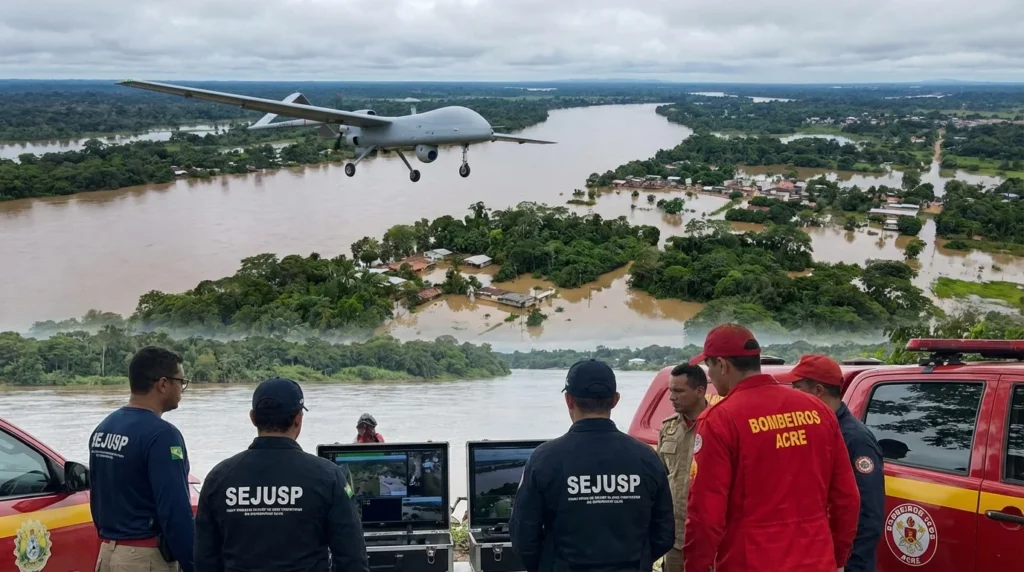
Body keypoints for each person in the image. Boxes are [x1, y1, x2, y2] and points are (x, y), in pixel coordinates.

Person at [682, 324, 860, 572]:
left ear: (722, 365)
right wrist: (838, 559)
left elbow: (705, 515)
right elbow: (846, 498)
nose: (709, 375)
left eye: (709, 366)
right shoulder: (817, 410)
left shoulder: (719, 419)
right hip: (817, 559)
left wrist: (696, 567)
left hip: (750, 561)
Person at [510, 359, 674, 572]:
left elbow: (524, 536)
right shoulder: (647, 457)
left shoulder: (544, 459)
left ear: (569, 400)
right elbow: (664, 533)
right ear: (615, 400)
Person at [194, 377, 369, 572]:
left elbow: (205, 559)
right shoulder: (328, 477)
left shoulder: (218, 478)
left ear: (253, 418)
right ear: (298, 418)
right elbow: (351, 558)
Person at [89, 346, 195, 572]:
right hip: (144, 558)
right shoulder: (163, 435)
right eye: (181, 381)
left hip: (107, 553)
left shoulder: (104, 428)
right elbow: (175, 512)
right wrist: (194, 564)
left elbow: (97, 497)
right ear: (163, 384)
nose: (182, 389)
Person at [779, 355, 885, 572]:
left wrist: (846, 564)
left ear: (818, 391)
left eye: (797, 387)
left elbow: (868, 515)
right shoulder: (816, 429)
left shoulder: (855, 440)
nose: (791, 394)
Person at [657, 364, 709, 572]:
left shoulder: (719, 424)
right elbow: (661, 478)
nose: (671, 397)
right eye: (670, 390)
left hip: (710, 536)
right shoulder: (668, 428)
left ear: (699, 391)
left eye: (678, 391)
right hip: (676, 536)